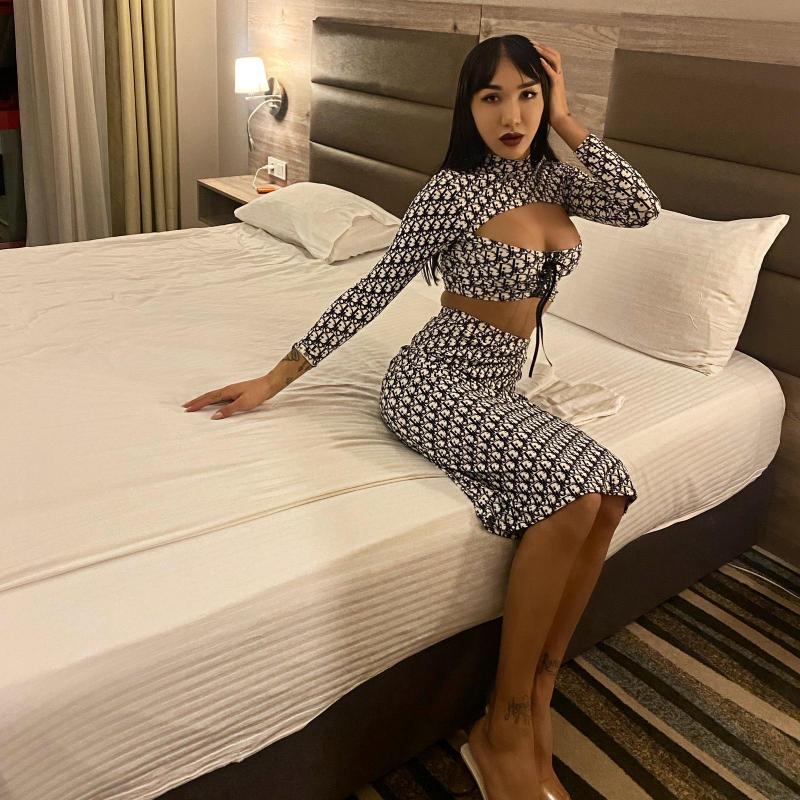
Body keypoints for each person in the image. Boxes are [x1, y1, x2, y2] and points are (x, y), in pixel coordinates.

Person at [183, 34, 660, 800]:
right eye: (492, 98)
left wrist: (570, 120)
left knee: (609, 490)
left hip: (498, 387)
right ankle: (503, 725)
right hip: (433, 379)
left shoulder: (555, 180)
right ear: (468, 107)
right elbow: (373, 290)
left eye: (527, 95)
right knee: (575, 493)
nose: (512, 116)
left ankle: (536, 696)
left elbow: (641, 206)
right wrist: (274, 380)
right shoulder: (452, 192)